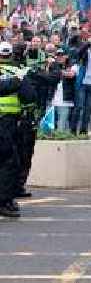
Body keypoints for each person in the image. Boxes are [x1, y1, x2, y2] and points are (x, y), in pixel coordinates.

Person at [0, 42, 27, 217]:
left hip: (7, 122)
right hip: (6, 123)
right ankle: (4, 201)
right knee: (9, 161)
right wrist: (18, 80)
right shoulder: (16, 72)